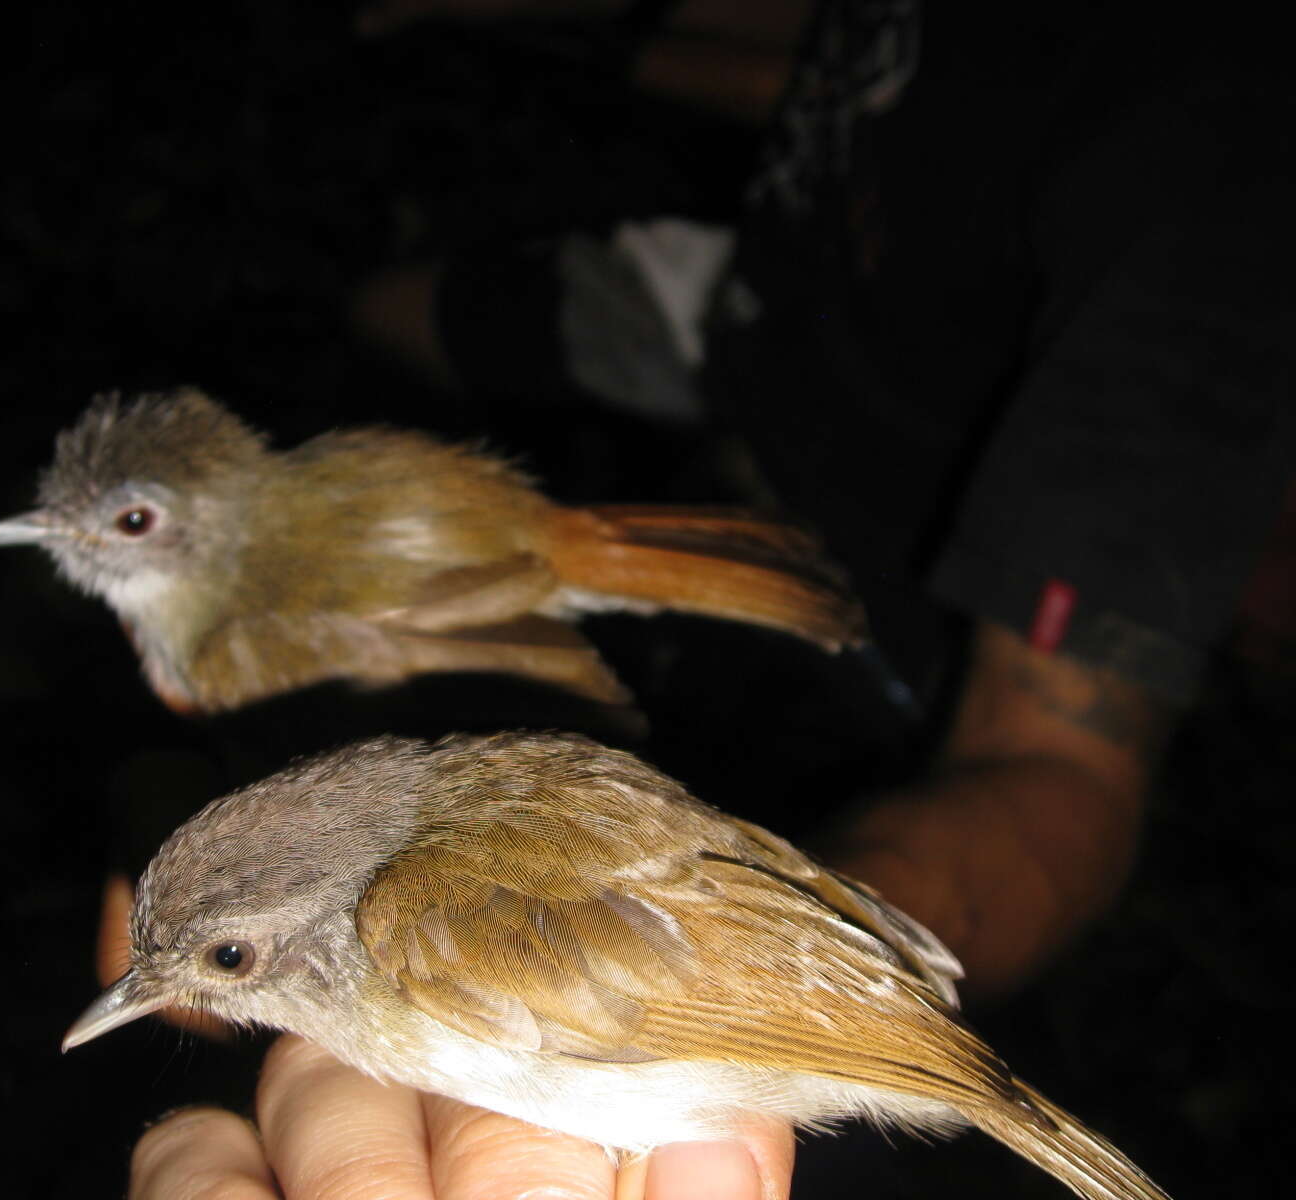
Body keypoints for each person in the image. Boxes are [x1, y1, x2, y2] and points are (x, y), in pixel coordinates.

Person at [121, 1, 1294, 1195]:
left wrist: (856, 971)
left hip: (855, 666)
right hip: (734, 380)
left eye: (228, 956)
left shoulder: (1210, 207)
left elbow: (1057, 775)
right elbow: (845, 72)